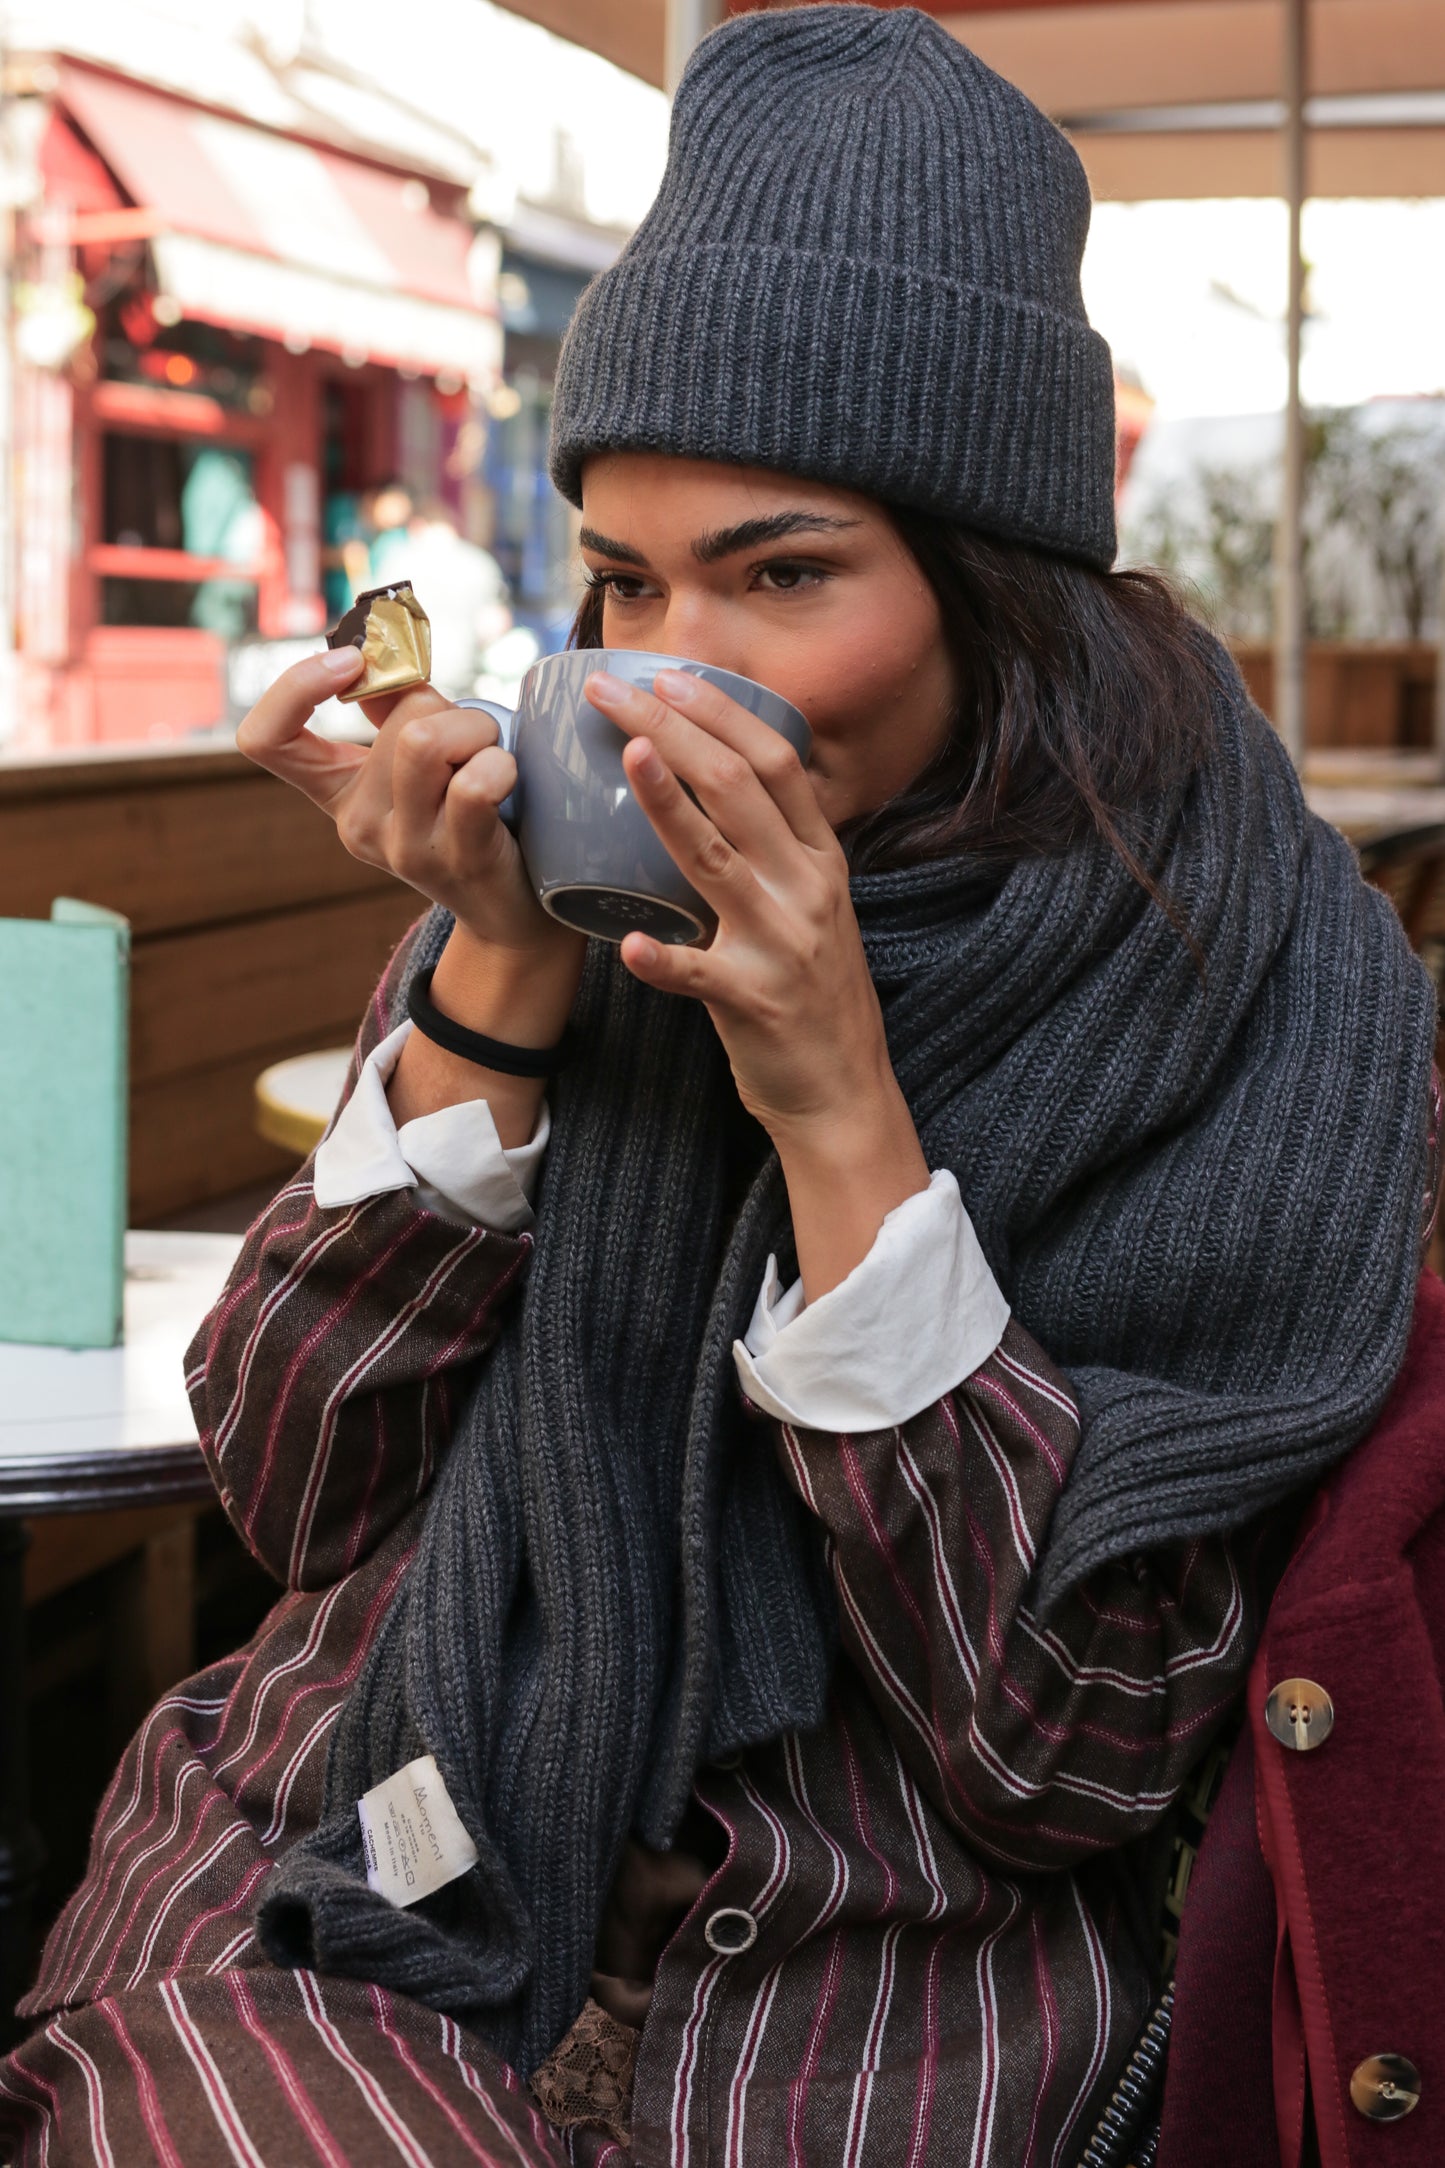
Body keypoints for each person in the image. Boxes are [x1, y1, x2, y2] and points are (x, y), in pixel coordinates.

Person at [1, 10, 1435, 2164]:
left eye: (777, 574)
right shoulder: (568, 893)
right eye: (620, 584)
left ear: (990, 593)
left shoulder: (1242, 979)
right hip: (362, 1863)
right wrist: (492, 961)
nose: (670, 665)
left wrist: (832, 1099)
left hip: (859, 2003)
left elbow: (1067, 1753)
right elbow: (299, 1491)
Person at [370, 499, 513, 700]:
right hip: (463, 676)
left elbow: (377, 622)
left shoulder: (398, 562)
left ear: (416, 526)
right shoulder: (480, 563)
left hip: (412, 680)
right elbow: (495, 625)